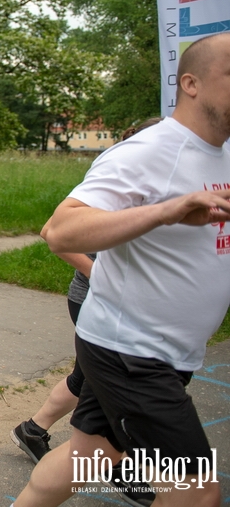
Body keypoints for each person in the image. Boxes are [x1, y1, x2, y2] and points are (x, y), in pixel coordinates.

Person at [12, 32, 230, 507]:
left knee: (88, 456)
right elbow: (60, 231)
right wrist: (166, 210)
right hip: (132, 352)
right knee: (198, 493)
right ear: (191, 84)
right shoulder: (150, 151)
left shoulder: (222, 153)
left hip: (166, 352)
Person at [11, 118, 165, 466]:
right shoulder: (117, 186)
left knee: (88, 380)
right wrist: (96, 273)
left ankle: (34, 430)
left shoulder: (155, 188)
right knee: (114, 386)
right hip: (93, 300)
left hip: (121, 305)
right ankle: (122, 464)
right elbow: (50, 231)